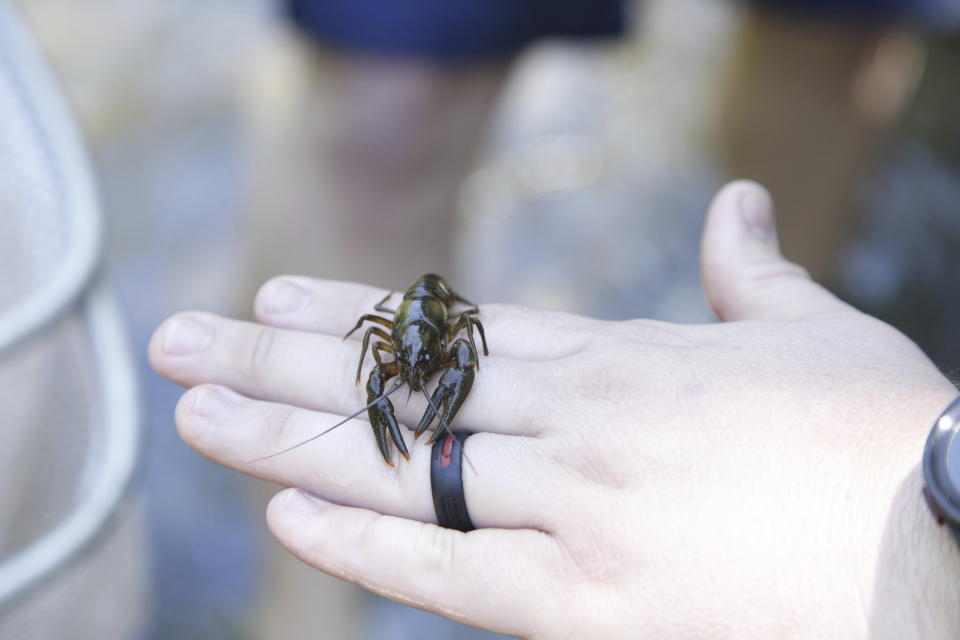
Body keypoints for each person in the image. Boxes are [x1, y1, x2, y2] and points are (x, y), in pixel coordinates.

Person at [149, 181, 959, 637]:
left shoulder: (453, 333)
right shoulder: (388, 341)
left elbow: (464, 342)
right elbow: (380, 349)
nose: (420, 370)